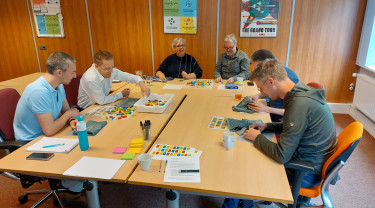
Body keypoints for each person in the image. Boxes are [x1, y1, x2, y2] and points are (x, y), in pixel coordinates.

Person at [222, 59, 337, 208]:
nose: (261, 93)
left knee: (241, 168)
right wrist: (266, 126)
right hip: (313, 161)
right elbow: (293, 126)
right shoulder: (300, 91)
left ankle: (241, 203)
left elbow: (281, 155)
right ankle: (245, 204)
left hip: (305, 171)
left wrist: (257, 138)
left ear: (271, 81)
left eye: (261, 88)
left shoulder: (298, 105)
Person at [13, 52, 88, 206]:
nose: (75, 76)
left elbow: (66, 110)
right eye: (72, 72)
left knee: (87, 139)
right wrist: (68, 115)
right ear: (59, 72)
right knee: (78, 152)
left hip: (47, 135)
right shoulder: (38, 91)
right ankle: (73, 192)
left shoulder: (58, 85)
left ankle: (74, 185)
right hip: (31, 143)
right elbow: (49, 129)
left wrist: (72, 119)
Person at [78, 50, 151, 110]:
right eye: (107, 69)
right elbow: (102, 100)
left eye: (112, 67)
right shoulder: (91, 78)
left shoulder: (110, 70)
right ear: (96, 66)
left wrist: (142, 84)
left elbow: (128, 77)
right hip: (87, 109)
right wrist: (121, 94)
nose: (111, 72)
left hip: (99, 104)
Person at [247, 49, 299, 122]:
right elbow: (273, 90)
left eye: (258, 68)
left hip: (279, 118)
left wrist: (267, 109)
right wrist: (259, 95)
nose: (257, 72)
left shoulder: (289, 79)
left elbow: (292, 112)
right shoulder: (275, 77)